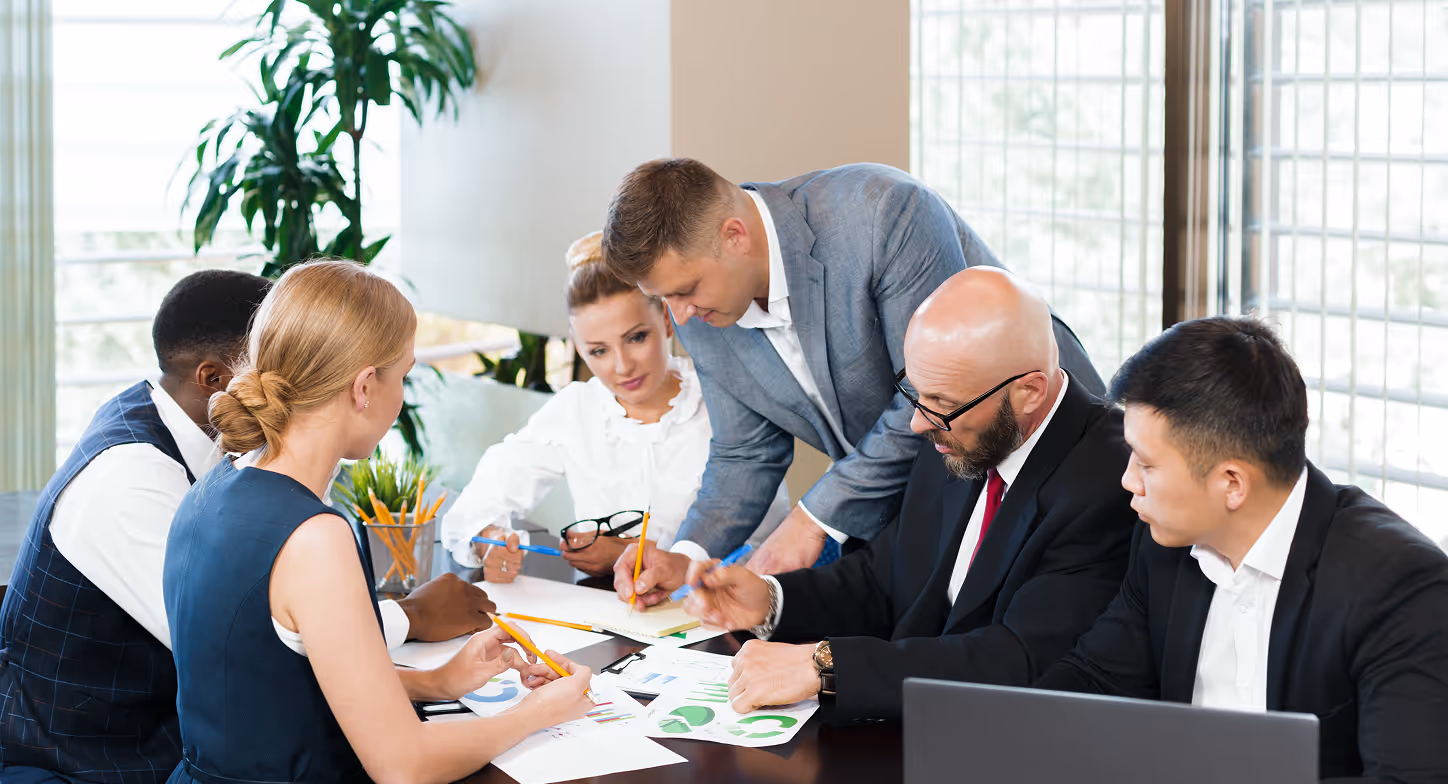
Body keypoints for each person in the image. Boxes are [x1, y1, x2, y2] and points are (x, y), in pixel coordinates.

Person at [0, 270, 491, 784]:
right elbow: (247, 647)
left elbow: (274, 659)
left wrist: (432, 681)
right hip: (102, 763)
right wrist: (410, 618)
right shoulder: (131, 478)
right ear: (215, 377)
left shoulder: (228, 474)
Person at [163, 261, 593, 783]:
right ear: (364, 387)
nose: (403, 395)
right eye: (404, 375)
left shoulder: (209, 488)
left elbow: (270, 680)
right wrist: (539, 712)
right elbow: (405, 765)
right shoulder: (313, 537)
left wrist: (436, 681)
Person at [601, 158, 1107, 601]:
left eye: (685, 291)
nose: (680, 317)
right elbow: (745, 452)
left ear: (735, 236)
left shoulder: (884, 212)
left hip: (1043, 467)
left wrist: (812, 518)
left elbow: (923, 404)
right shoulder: (705, 313)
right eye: (664, 298)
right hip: (923, 503)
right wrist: (687, 555)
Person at [670, 268, 1136, 722]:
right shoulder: (959, 427)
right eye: (916, 393)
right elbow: (885, 577)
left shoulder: (1108, 479)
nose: (917, 423)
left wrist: (826, 665)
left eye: (943, 404)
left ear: (1028, 392)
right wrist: (771, 600)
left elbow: (1017, 660)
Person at [1036, 317, 1448, 781]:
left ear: (1232, 483)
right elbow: (1093, 679)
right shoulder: (1164, 544)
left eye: (1146, 464)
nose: (1128, 481)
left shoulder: (1399, 585)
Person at [442, 232, 789, 581]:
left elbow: (765, 536)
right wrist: (490, 540)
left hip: (723, 616)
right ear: (578, 348)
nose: (622, 366)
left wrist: (634, 553)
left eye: (636, 337)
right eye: (599, 350)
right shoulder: (576, 410)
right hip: (609, 618)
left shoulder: (723, 401)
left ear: (667, 321)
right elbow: (484, 496)